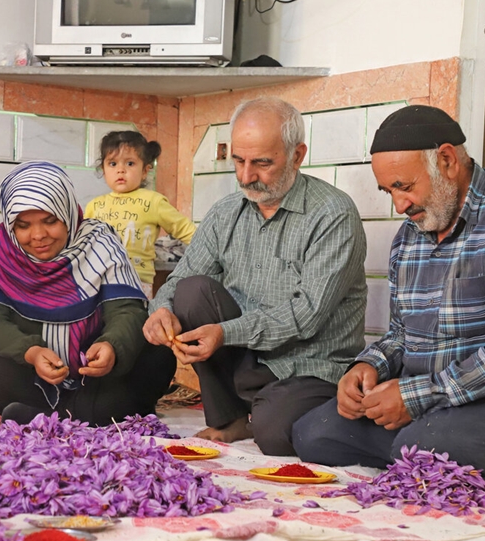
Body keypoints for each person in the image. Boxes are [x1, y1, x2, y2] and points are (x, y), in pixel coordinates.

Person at [293, 105, 485, 482]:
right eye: (388, 190)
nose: (398, 205)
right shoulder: (410, 236)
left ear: (447, 161)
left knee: (430, 448)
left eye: (404, 187)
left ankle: (443, 445)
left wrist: (417, 397)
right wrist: (367, 367)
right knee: (312, 432)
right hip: (435, 402)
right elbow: (400, 335)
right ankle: (424, 445)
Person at [142, 97, 367, 456]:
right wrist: (161, 311)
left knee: (275, 435)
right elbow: (179, 279)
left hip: (307, 364)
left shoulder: (333, 214)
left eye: (263, 163)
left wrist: (225, 333)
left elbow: (306, 315)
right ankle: (230, 415)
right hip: (245, 360)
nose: (247, 177)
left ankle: (263, 413)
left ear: (297, 155)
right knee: (191, 290)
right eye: (239, 161)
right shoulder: (226, 212)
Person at [0, 160, 176, 425]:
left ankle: (45, 417)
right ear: (10, 224)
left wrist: (111, 346)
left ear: (67, 212)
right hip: (32, 375)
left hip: (98, 378)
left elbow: (127, 311)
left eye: (50, 220)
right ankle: (89, 415)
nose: (39, 235)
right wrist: (31, 352)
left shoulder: (99, 241)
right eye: (23, 225)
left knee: (158, 356)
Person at [84, 131, 197, 298]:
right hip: (97, 280)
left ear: (145, 170)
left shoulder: (154, 201)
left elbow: (187, 230)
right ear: (104, 169)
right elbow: (83, 244)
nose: (120, 170)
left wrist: (211, 255)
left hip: (136, 281)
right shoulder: (94, 206)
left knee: (133, 323)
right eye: (113, 164)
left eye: (130, 163)